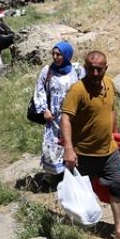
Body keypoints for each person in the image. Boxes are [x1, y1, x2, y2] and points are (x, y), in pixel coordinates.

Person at [60, 50, 120, 239]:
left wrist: (118, 136)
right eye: (91, 69)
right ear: (85, 68)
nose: (95, 73)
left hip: (109, 150)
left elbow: (111, 110)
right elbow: (65, 118)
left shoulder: (110, 84)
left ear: (106, 68)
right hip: (83, 153)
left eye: (99, 69)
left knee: (117, 185)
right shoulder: (77, 90)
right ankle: (70, 225)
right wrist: (69, 149)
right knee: (77, 192)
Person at [32, 41, 84, 185]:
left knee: (72, 141)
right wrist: (44, 109)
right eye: (53, 54)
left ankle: (73, 172)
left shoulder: (77, 70)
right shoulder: (47, 70)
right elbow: (39, 89)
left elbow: (84, 89)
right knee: (53, 144)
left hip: (72, 114)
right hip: (54, 116)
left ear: (66, 55)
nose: (55, 57)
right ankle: (54, 175)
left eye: (59, 54)